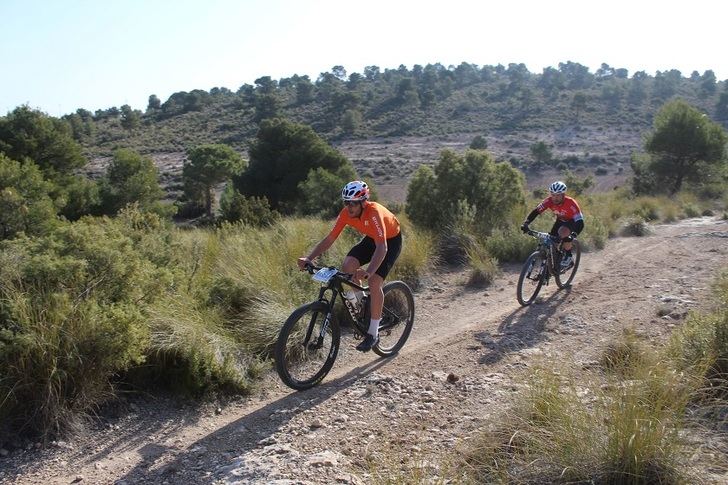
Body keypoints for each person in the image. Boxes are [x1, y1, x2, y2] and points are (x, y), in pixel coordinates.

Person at [297, 181, 402, 352]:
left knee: (375, 282)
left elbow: (382, 247)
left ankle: (373, 334)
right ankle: (362, 305)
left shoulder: (373, 212)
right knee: (348, 265)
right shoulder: (346, 213)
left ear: (363, 202)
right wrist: (309, 258)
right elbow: (330, 238)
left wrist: (368, 272)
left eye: (353, 203)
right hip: (371, 238)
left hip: (390, 240)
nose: (349, 207)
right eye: (346, 202)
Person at [520, 181, 584, 269]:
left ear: (563, 195)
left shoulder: (571, 203)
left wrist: (573, 235)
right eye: (553, 195)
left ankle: (568, 257)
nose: (555, 198)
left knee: (563, 232)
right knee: (551, 239)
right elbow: (536, 211)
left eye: (558, 195)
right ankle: (554, 261)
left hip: (572, 221)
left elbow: (580, 222)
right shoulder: (549, 201)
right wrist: (526, 223)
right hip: (560, 219)